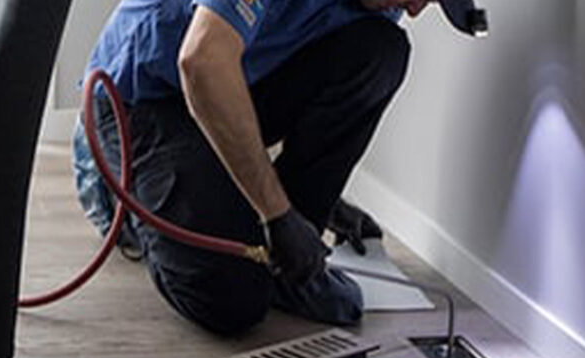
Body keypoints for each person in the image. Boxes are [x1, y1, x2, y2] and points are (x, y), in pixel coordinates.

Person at [73, 0, 427, 335]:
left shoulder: (384, 3)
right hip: (150, 97)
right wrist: (277, 213)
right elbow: (202, 61)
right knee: (229, 300)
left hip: (233, 83)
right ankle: (117, 197)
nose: (413, 8)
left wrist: (318, 196)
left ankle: (294, 267)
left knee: (380, 50)